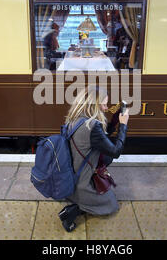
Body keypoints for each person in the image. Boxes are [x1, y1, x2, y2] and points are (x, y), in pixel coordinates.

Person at [58, 85, 129, 232]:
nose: (105, 107)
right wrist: (123, 125)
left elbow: (99, 139)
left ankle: (79, 200)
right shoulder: (92, 126)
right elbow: (116, 152)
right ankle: (71, 212)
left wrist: (115, 119)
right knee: (111, 205)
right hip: (82, 180)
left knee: (107, 196)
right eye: (103, 104)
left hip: (70, 174)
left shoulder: (75, 118)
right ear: (94, 105)